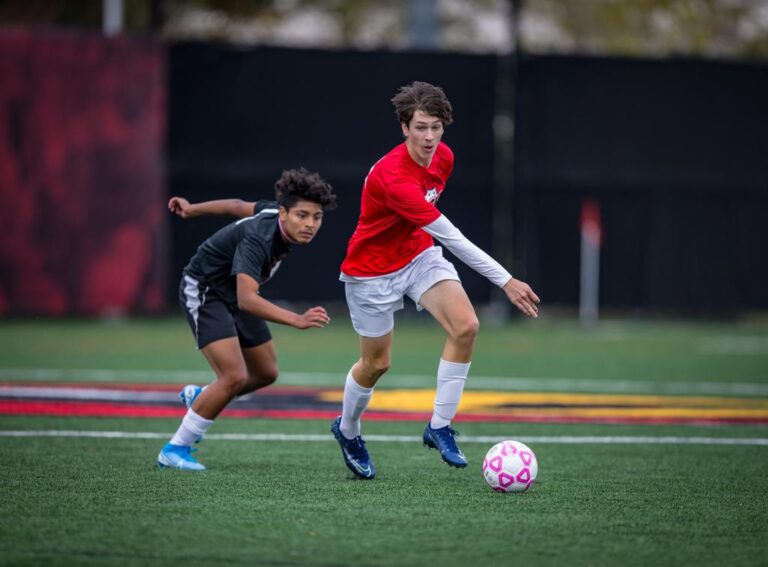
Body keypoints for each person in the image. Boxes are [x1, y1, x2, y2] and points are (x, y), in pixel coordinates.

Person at [331, 81, 540, 480]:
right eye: (421, 127)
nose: (429, 137)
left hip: (418, 256)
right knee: (376, 364)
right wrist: (506, 280)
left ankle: (440, 427)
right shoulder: (394, 177)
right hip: (371, 271)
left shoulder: (443, 157)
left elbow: (433, 235)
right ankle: (348, 430)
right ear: (404, 128)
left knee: (466, 326)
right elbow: (453, 238)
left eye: (436, 127)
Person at [157, 167, 337, 471]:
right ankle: (175, 448)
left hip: (233, 291)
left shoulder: (271, 213)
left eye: (316, 217)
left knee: (265, 372)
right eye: (302, 215)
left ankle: (202, 397)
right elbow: (247, 299)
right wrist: (296, 320)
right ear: (283, 213)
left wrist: (192, 209)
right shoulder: (259, 239)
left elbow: (236, 205)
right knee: (234, 377)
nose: (309, 224)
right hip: (206, 290)